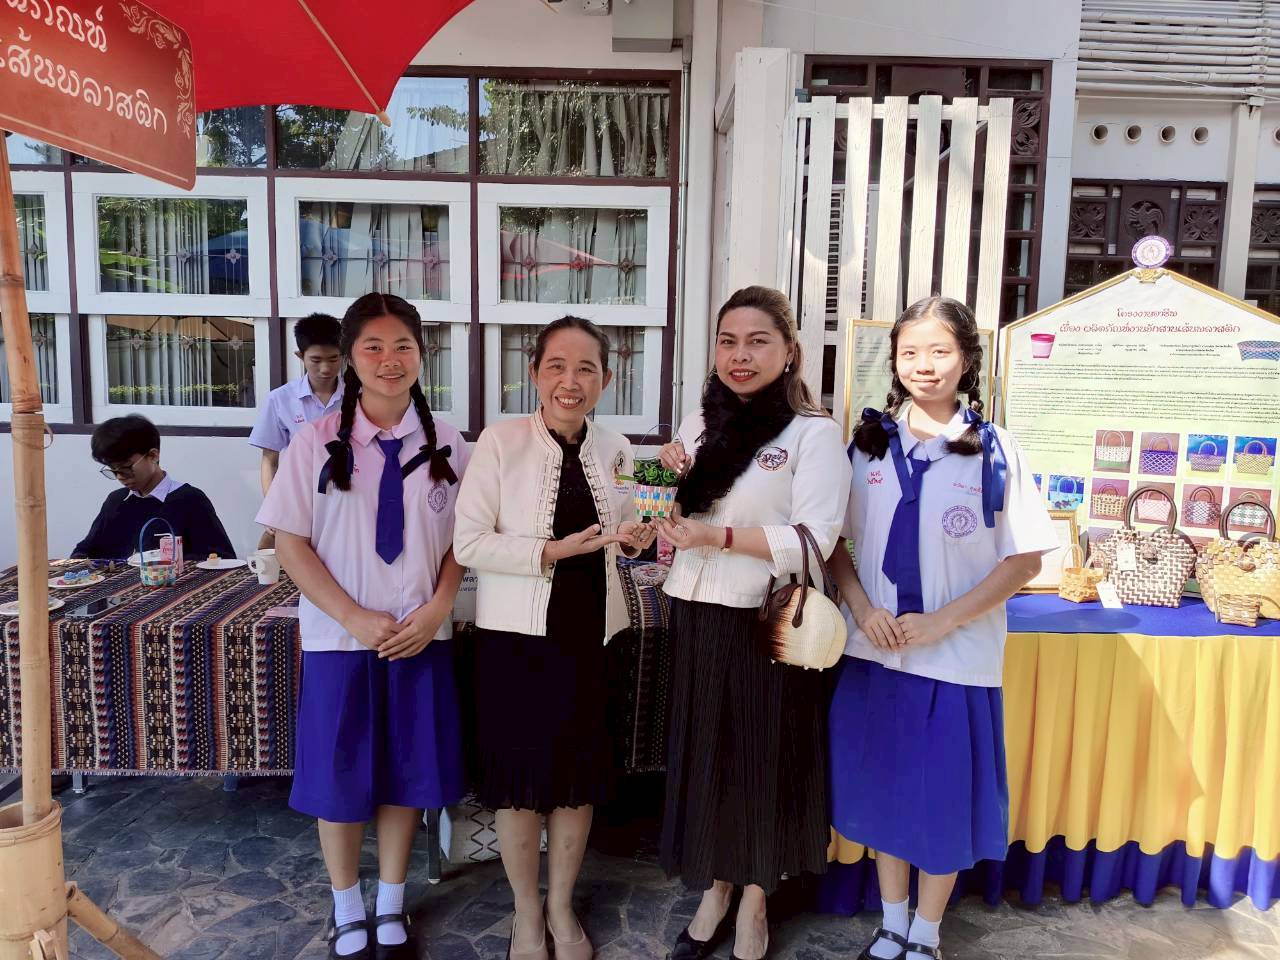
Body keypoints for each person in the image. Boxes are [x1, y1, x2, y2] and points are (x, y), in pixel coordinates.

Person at [827, 296, 1057, 960]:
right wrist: (862, 607)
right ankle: (891, 920)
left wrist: (941, 623)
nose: (923, 365)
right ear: (894, 361)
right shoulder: (867, 444)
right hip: (875, 654)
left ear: (966, 360)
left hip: (955, 660)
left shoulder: (994, 450)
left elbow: (1025, 559)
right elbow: (834, 540)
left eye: (940, 351)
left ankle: (926, 932)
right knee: (884, 795)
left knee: (942, 802)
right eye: (910, 352)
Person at [256, 293, 468, 960]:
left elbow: (464, 542)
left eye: (403, 345)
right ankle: (347, 905)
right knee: (340, 779)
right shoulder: (313, 442)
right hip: (339, 642)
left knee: (407, 775)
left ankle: (391, 901)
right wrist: (350, 614)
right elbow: (290, 542)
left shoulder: (449, 444)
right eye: (372, 347)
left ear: (422, 355)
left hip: (418, 639)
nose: (389, 359)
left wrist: (437, 608)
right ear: (349, 358)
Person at [652, 286, 851, 960]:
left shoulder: (812, 434)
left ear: (789, 351)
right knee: (707, 757)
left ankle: (756, 899)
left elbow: (816, 541)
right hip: (695, 611)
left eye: (758, 341)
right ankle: (715, 887)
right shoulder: (696, 424)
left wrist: (720, 537)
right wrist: (664, 482)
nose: (741, 355)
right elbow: (671, 521)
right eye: (728, 341)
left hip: (767, 623)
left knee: (763, 761)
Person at [453, 316, 653, 960]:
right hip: (515, 643)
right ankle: (525, 912)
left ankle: (562, 907)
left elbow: (627, 532)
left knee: (576, 780)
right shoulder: (500, 442)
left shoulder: (617, 449)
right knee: (519, 784)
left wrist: (638, 537)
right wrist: (551, 550)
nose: (571, 381)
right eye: (557, 366)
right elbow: (469, 542)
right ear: (535, 373)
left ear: (606, 379)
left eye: (586, 368)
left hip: (591, 639)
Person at [73, 414, 235, 561]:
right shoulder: (116, 501)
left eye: (126, 468)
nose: (120, 477)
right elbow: (84, 552)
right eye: (113, 470)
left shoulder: (190, 500)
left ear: (153, 455)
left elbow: (222, 558)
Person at [250, 312, 343, 548]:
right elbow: (269, 461)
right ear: (300, 356)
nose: (325, 368)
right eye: (316, 360)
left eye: (333, 359)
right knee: (285, 559)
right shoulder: (280, 399)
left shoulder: (359, 398)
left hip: (345, 501)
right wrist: (273, 507)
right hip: (296, 500)